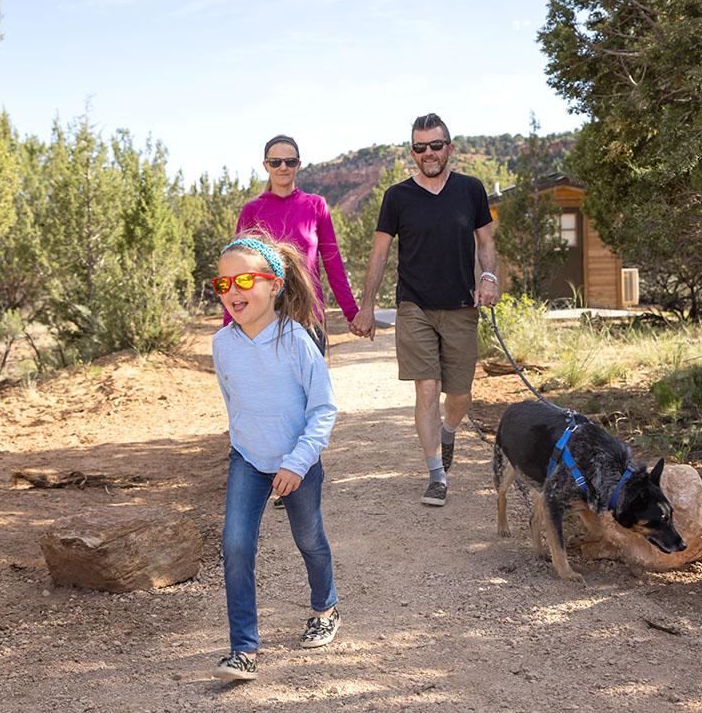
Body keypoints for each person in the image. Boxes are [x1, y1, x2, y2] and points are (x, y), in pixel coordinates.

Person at [210, 231, 341, 682]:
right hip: (247, 458)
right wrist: (247, 447)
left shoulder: (298, 341)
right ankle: (243, 649)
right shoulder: (222, 345)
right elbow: (234, 404)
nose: (233, 292)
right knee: (236, 544)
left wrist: (296, 462)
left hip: (297, 462)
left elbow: (323, 409)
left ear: (275, 283)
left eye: (244, 281)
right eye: (223, 284)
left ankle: (325, 608)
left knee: (309, 539)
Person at [350, 113, 499, 507]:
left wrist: (489, 278)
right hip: (413, 305)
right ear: (412, 152)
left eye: (436, 145)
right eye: (420, 147)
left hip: (461, 305)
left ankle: (450, 430)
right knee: (427, 387)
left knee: (461, 394)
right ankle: (436, 474)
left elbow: (485, 242)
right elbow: (380, 254)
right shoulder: (396, 197)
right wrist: (366, 306)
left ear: (450, 147)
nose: (428, 153)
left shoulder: (470, 189)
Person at [225, 134, 359, 357]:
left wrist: (352, 313)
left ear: (299, 164)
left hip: (309, 316)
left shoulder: (316, 205)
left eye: (290, 161)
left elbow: (333, 264)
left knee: (310, 391)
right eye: (276, 162)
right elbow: (236, 271)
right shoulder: (252, 210)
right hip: (263, 320)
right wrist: (229, 325)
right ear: (266, 165)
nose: (283, 167)